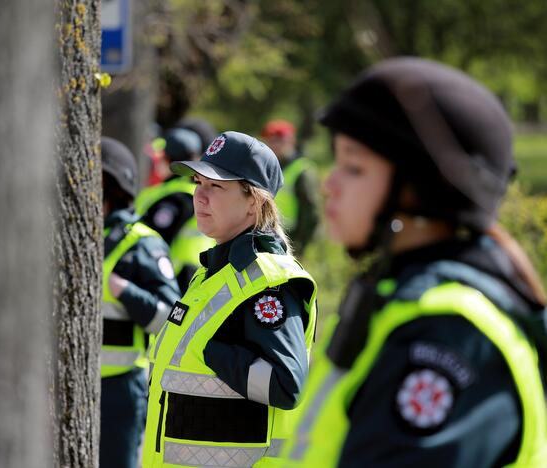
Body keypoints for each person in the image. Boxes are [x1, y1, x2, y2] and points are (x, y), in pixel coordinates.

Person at [280, 58, 547, 467]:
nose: (330, 184)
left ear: (419, 190)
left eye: (354, 167)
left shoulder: (447, 336)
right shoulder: (398, 297)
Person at [142, 131, 318, 467]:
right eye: (198, 183)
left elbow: (286, 384)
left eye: (215, 186)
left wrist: (210, 351)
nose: (199, 196)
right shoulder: (212, 272)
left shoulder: (270, 282)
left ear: (254, 201)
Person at [99, 137, 181, 468]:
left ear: (114, 186)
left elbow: (173, 320)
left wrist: (124, 291)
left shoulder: (142, 245)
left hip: (118, 389)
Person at [136, 127, 215, 292]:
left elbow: (155, 238)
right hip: (196, 272)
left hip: (175, 276)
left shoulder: (177, 197)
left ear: (167, 159)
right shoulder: (190, 191)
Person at [261, 119, 319, 254]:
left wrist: (301, 245)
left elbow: (311, 214)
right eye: (270, 140)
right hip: (270, 237)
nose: (273, 145)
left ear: (291, 141)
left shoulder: (302, 169)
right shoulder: (267, 168)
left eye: (278, 140)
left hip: (292, 241)